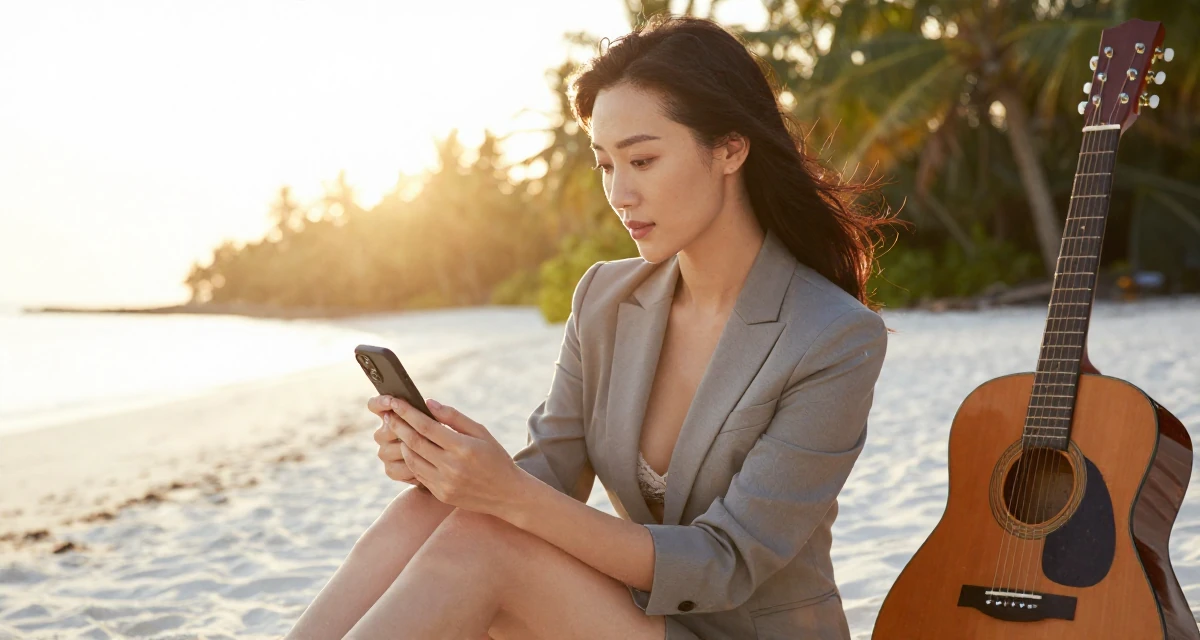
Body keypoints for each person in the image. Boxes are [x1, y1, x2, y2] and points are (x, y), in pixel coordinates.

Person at [287, 13, 898, 640]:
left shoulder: (832, 336)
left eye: (642, 160)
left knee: (485, 540)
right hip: (631, 617)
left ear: (730, 149)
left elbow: (726, 563)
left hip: (745, 631)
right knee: (431, 510)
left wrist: (506, 495)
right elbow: (549, 475)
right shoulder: (606, 297)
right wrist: (449, 467)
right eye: (605, 165)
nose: (620, 193)